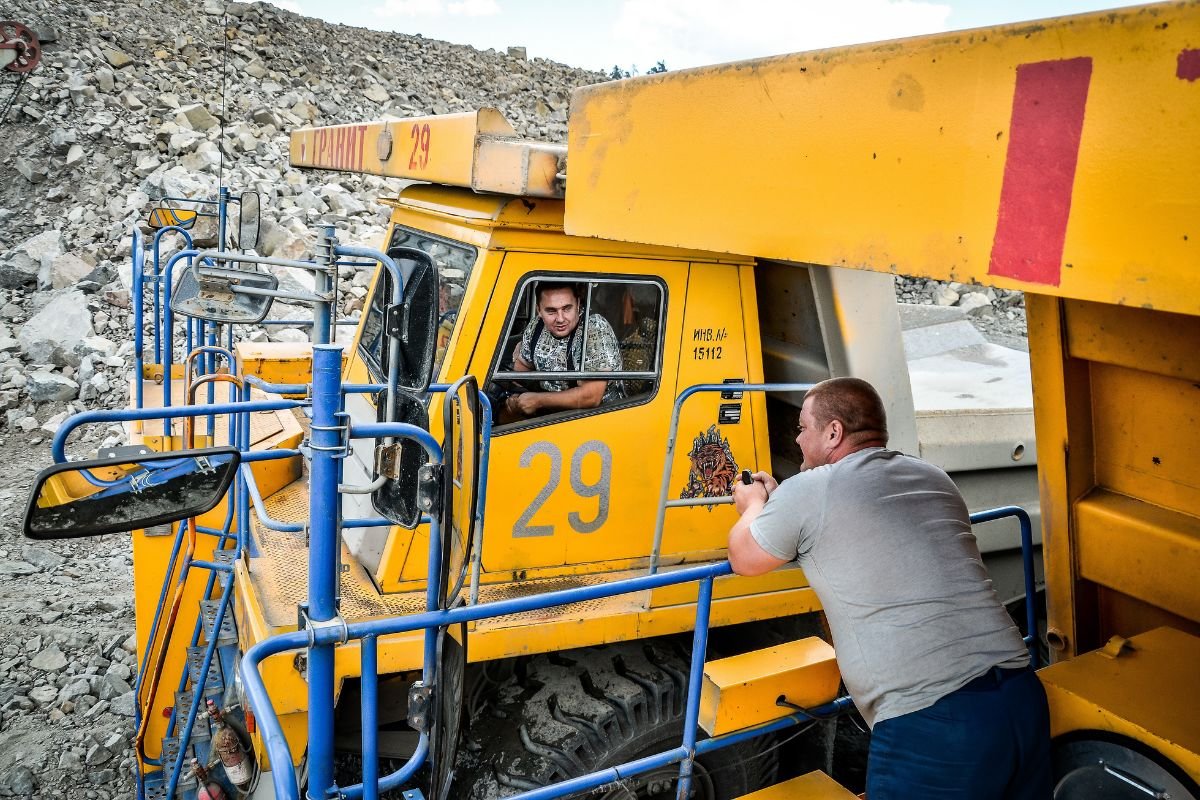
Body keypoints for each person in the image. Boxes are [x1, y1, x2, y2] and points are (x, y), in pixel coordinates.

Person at [727, 377, 1051, 799]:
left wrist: (753, 506)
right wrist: (782, 506)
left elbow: (745, 559)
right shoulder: (933, 476)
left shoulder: (812, 489)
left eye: (803, 428)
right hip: (1020, 696)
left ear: (834, 432)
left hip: (934, 721)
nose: (798, 439)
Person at [503, 282, 625, 419]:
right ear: (539, 310)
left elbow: (591, 397)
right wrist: (516, 397)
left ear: (578, 304)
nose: (560, 319)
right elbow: (523, 367)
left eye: (567, 308)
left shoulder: (594, 328)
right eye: (551, 311)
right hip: (550, 416)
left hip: (597, 419)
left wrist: (538, 401)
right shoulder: (536, 326)